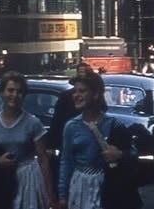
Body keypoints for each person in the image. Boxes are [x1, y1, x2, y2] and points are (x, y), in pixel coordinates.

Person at [56, 71, 139, 209]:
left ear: (95, 94)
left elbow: (134, 153)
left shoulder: (113, 124)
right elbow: (66, 162)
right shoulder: (71, 126)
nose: (76, 95)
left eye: (82, 91)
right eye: (75, 91)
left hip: (107, 187)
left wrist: (119, 155)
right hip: (80, 186)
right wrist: (63, 196)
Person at [0, 71, 52, 209]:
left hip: (27, 180)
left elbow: (43, 159)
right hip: (1, 181)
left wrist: (49, 195)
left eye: (19, 92)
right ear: (2, 93)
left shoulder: (33, 123)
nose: (14, 95)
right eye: (10, 90)